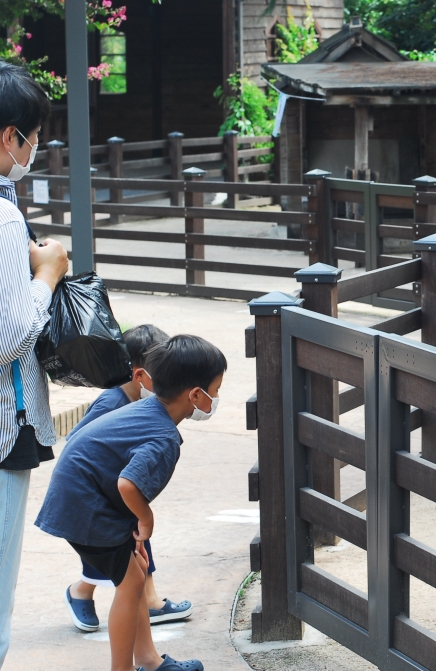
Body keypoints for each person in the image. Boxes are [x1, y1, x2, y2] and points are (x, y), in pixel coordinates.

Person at [36, 335, 226, 671]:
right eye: (216, 390)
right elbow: (127, 484)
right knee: (132, 583)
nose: (217, 398)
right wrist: (145, 519)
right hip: (84, 505)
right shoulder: (163, 437)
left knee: (135, 573)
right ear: (196, 395)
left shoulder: (147, 409)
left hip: (82, 495)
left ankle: (150, 661)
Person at [0, 62, 69, 667]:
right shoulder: (4, 217)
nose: (34, 150)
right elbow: (10, 337)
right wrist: (45, 275)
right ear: (9, 136)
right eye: (33, 137)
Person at [63, 325, 194, 633]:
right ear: (139, 374)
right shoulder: (111, 403)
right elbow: (77, 444)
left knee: (135, 543)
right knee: (120, 547)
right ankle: (82, 591)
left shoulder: (145, 403)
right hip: (98, 496)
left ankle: (147, 601)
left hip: (118, 493)